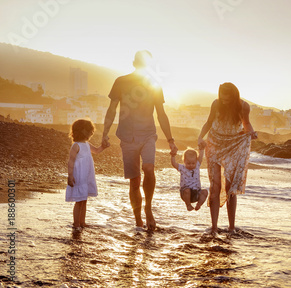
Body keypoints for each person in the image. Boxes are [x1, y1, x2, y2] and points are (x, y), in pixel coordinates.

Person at [101, 50, 178, 231]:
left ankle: (148, 209)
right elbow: (111, 109)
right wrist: (104, 133)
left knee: (149, 168)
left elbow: (161, 114)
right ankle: (138, 221)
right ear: (134, 63)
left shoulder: (154, 84)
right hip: (127, 136)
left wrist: (170, 140)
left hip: (148, 134)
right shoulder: (121, 82)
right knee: (134, 182)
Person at [198, 82, 258, 234]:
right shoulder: (216, 104)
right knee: (215, 186)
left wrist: (251, 133)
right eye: (222, 98)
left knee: (230, 187)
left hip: (233, 145)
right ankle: (214, 227)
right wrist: (200, 137)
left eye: (227, 99)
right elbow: (209, 122)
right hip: (215, 144)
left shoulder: (244, 106)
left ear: (234, 96)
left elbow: (246, 123)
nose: (224, 101)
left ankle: (231, 227)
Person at [66, 119, 107, 231]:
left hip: (86, 175)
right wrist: (70, 176)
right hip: (78, 175)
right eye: (90, 131)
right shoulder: (76, 145)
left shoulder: (87, 145)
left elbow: (97, 151)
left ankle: (82, 222)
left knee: (84, 200)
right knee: (79, 200)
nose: (91, 133)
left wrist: (103, 147)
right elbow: (70, 162)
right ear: (82, 131)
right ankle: (76, 224)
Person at [170, 147, 209, 211]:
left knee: (205, 192)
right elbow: (173, 163)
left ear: (196, 161)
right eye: (188, 163)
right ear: (184, 161)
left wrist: (201, 149)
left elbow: (201, 156)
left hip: (197, 192)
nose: (191, 165)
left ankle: (199, 204)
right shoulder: (182, 168)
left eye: (193, 163)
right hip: (185, 194)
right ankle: (188, 205)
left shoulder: (197, 166)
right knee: (187, 190)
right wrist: (173, 155)